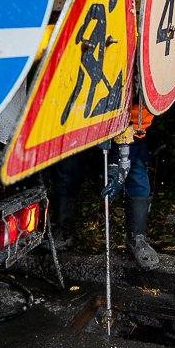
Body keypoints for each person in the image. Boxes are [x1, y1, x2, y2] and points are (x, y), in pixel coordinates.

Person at [50, 104, 159, 269]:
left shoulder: (141, 89)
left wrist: (118, 165)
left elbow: (140, 118)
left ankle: (137, 237)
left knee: (136, 170)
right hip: (78, 113)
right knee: (67, 165)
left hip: (128, 121)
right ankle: (64, 230)